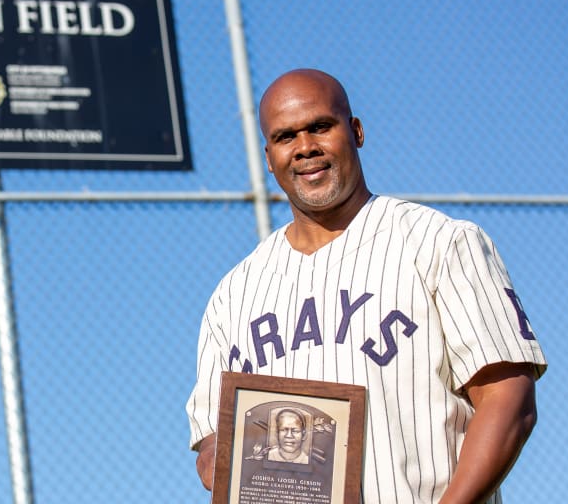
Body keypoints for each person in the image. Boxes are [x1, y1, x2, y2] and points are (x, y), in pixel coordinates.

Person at [186, 69, 546, 503]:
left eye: (320, 126)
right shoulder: (233, 294)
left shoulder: (440, 242)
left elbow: (508, 400)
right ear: (269, 157)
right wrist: (225, 457)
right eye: (286, 137)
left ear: (355, 131)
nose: (305, 148)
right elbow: (211, 446)